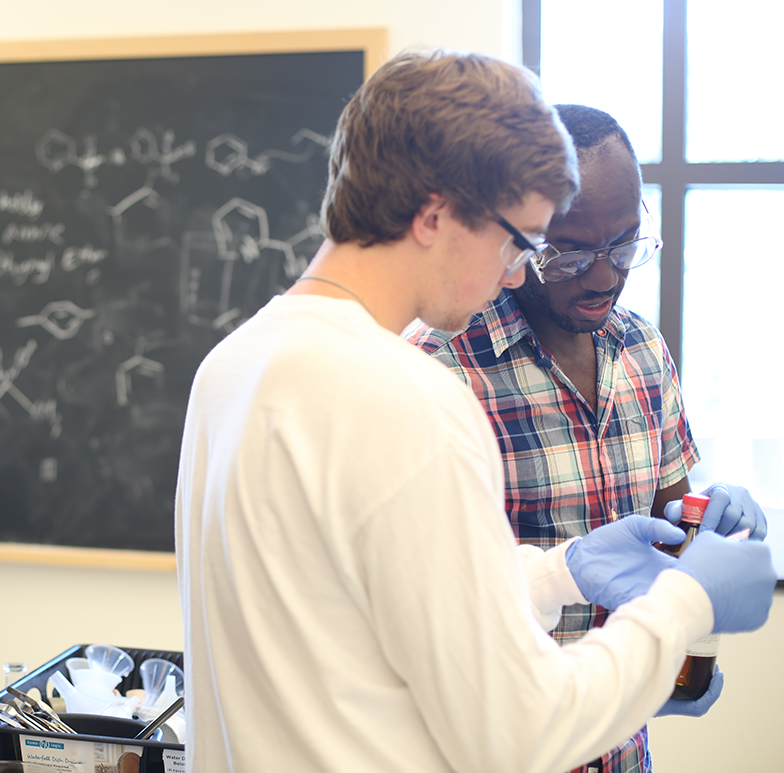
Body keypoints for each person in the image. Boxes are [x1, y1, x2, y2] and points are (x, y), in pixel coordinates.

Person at [174, 51, 775, 773]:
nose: (517, 271)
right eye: (519, 241)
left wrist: (559, 572)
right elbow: (521, 733)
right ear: (434, 214)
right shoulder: (411, 399)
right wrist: (684, 601)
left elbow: (358, 621)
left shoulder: (231, 367)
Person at [408, 104, 768, 773]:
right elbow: (427, 608)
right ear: (515, 238)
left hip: (624, 750)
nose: (603, 276)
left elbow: (669, 526)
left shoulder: (643, 350)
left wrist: (710, 521)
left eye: (625, 244)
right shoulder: (438, 368)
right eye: (570, 252)